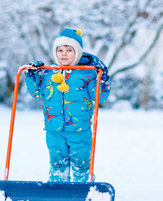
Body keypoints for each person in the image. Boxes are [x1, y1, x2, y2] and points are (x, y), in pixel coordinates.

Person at [24, 28, 111, 182]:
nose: (64, 54)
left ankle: (82, 191)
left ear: (77, 53)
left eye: (69, 50)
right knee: (57, 164)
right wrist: (32, 76)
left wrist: (103, 78)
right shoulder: (49, 73)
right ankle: (58, 192)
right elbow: (37, 92)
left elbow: (100, 97)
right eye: (60, 50)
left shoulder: (88, 73)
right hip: (54, 130)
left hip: (79, 130)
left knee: (82, 164)